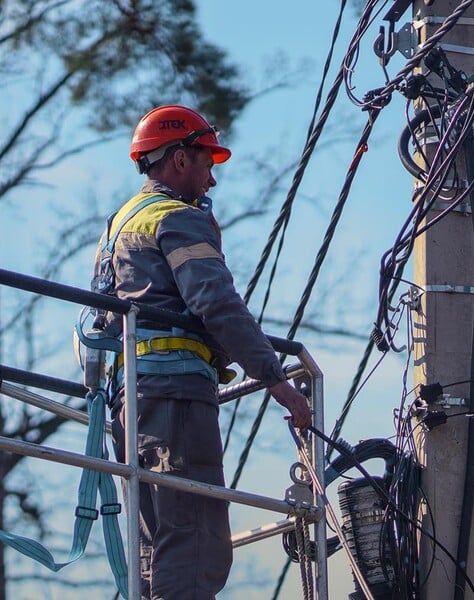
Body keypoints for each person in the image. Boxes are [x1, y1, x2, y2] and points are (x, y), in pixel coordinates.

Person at [92, 104, 312, 599]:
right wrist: (273, 377)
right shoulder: (176, 218)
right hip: (176, 398)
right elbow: (215, 301)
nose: (212, 180)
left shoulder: (120, 225)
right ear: (180, 159)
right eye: (207, 162)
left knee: (156, 545)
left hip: (133, 403)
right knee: (195, 539)